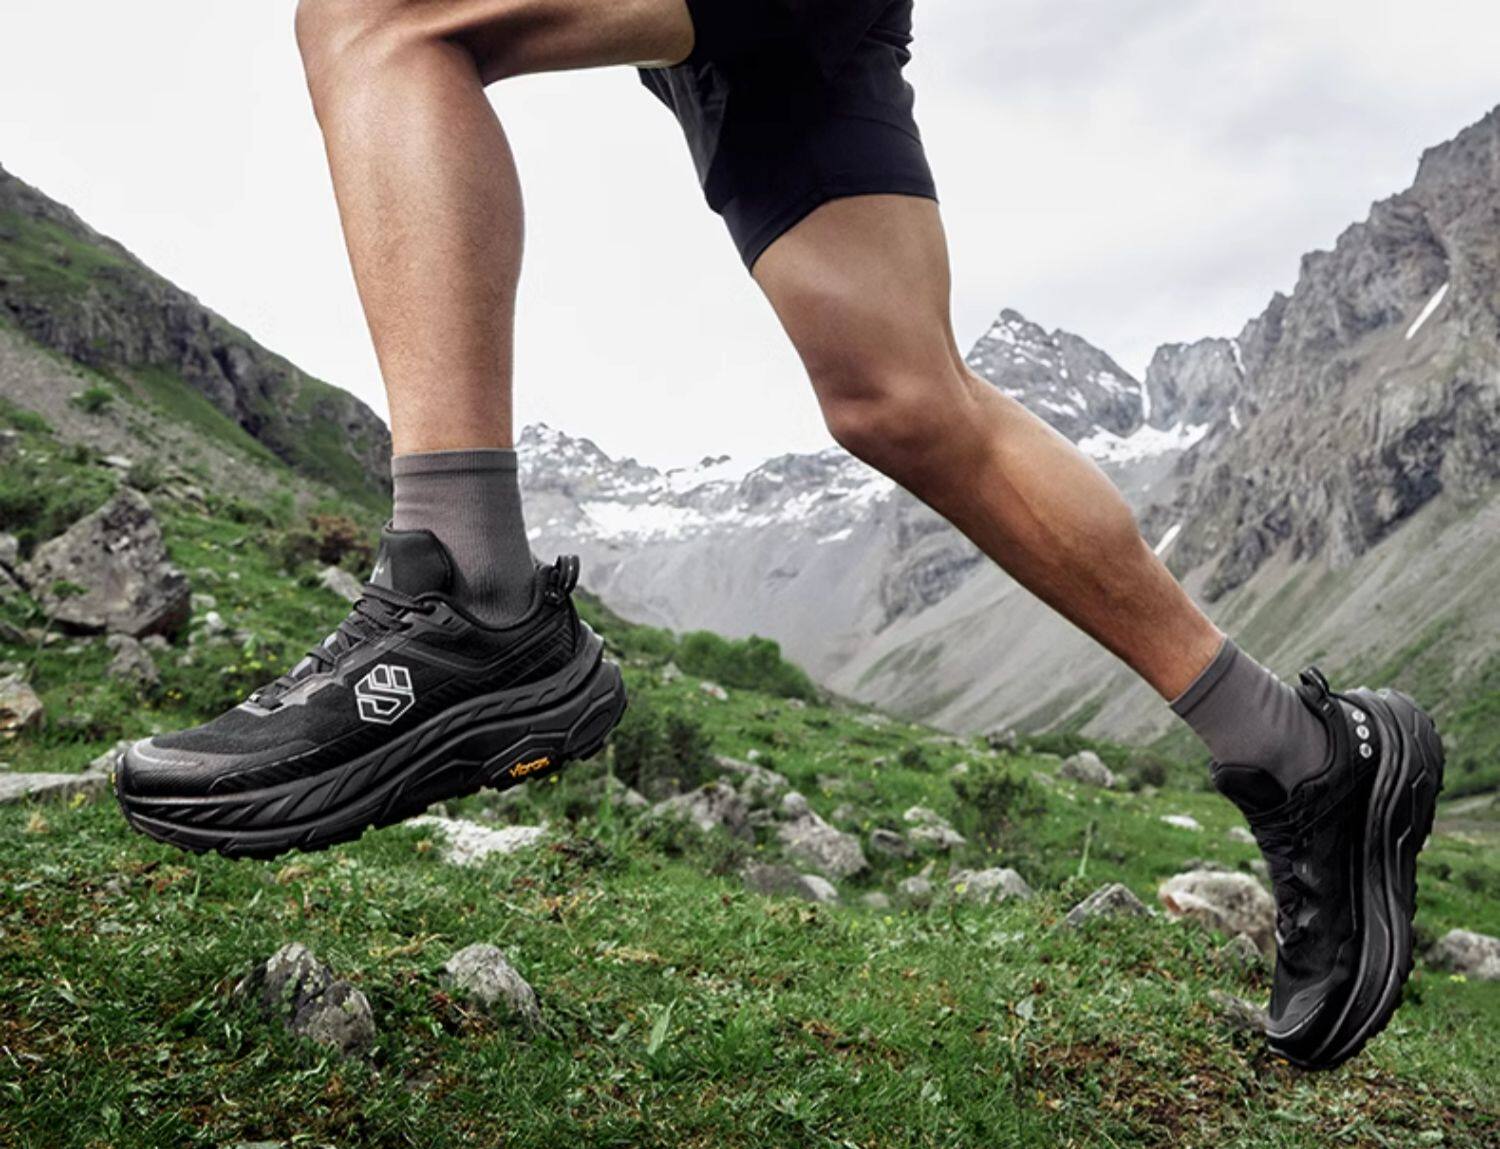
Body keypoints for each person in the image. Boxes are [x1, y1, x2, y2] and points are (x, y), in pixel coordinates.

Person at [114, 0, 1444, 1071]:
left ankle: (466, 587)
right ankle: (1302, 753)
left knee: (380, 17)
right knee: (898, 397)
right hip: (740, 47)